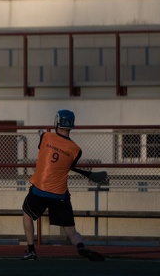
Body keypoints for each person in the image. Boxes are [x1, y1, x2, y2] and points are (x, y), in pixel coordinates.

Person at [21, 109, 105, 261]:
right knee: (70, 230)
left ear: (57, 122)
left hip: (39, 190)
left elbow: (44, 147)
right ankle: (81, 247)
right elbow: (68, 164)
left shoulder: (46, 136)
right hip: (60, 195)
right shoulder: (76, 150)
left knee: (27, 214)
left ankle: (31, 251)